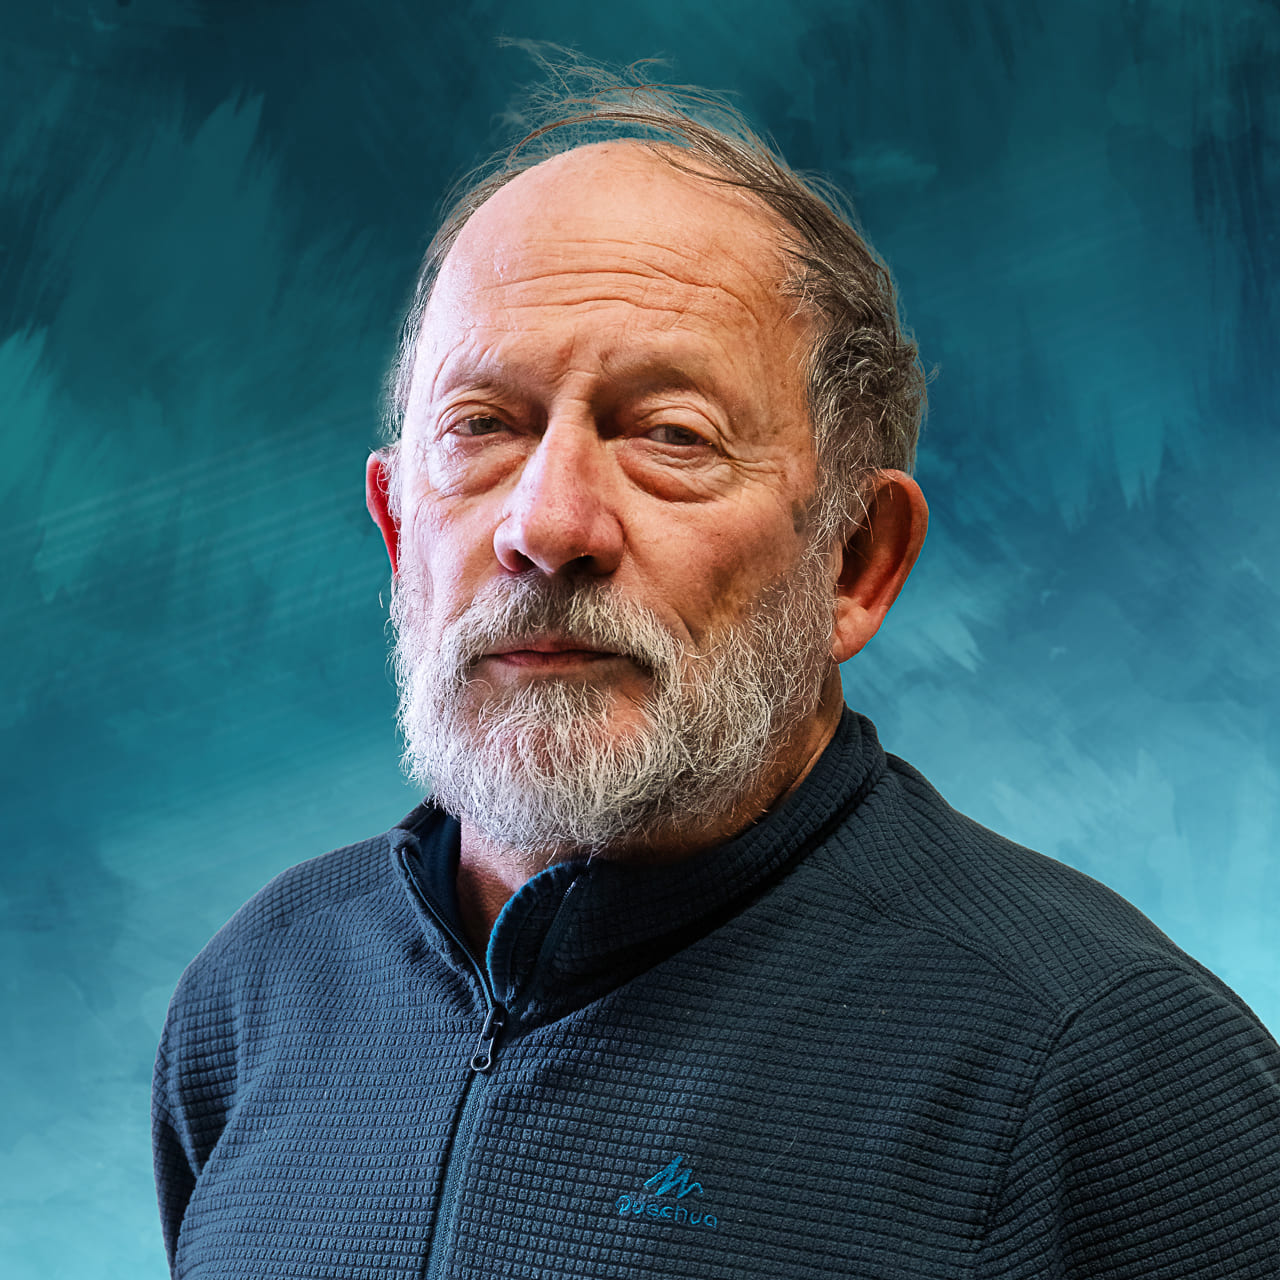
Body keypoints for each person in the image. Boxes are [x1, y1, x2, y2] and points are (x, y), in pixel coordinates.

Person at [152, 74, 1280, 1280]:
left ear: (855, 559)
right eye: (481, 426)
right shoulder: (257, 996)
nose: (546, 524)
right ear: (394, 530)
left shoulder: (1109, 1070)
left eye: (670, 435)